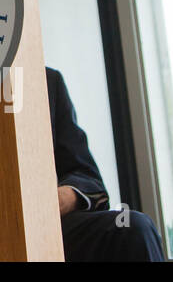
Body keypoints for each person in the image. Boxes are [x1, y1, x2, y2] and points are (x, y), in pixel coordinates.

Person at [47, 66, 165, 261]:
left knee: (132, 227)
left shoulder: (48, 81)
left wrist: (66, 196)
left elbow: (86, 176)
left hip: (51, 224)